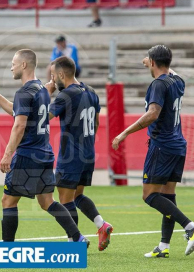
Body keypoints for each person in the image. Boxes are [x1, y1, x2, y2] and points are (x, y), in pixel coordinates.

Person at [112, 45, 194, 257]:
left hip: (161, 145)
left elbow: (153, 114)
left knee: (149, 195)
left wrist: (124, 133)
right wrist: (152, 62)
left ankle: (190, 227)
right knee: (168, 195)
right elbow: (171, 71)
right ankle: (163, 247)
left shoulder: (158, 84)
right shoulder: (177, 81)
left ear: (153, 63)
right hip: (177, 144)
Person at [0, 49, 89, 244]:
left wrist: (8, 154)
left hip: (27, 155)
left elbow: (19, 124)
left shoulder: (24, 92)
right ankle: (78, 238)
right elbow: (18, 112)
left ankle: (7, 248)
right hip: (44, 153)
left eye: (13, 63)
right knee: (47, 202)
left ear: (24, 65)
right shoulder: (42, 90)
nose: (11, 67)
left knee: (8, 201)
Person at [45, 56, 113, 251]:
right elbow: (97, 123)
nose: (52, 80)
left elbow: (44, 117)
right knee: (78, 195)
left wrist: (47, 95)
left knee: (65, 200)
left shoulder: (65, 95)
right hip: (88, 153)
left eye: (53, 76)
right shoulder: (91, 92)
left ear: (60, 74)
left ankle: (73, 242)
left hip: (71, 155)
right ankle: (101, 224)